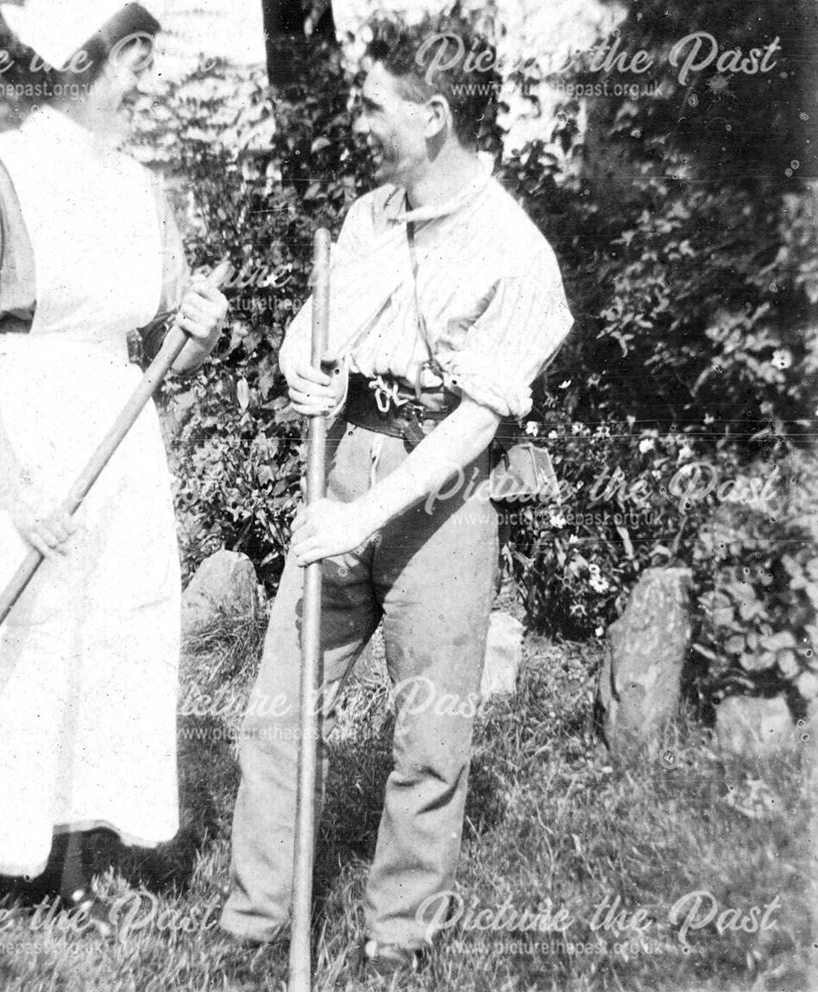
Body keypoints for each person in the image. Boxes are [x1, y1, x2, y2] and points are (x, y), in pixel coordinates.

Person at [219, 15, 573, 979]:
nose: (359, 121)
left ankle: (397, 935)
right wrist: (310, 373)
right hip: (343, 469)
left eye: (373, 105)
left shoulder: (516, 252)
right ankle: (255, 924)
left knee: (430, 733)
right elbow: (313, 329)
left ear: (434, 113)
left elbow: (473, 422)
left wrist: (363, 516)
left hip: (443, 497)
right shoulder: (372, 214)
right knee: (280, 712)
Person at [0, 0, 228, 922]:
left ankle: (73, 862)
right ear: (101, 57)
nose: (145, 80)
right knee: (1, 642)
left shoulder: (142, 189)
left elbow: (161, 355)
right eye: (136, 60)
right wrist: (18, 492)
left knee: (104, 638)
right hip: (14, 441)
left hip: (119, 445)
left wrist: (197, 332)